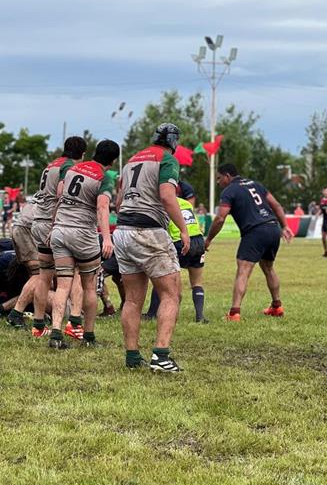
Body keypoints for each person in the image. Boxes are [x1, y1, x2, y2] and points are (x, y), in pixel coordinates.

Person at [111, 124, 193, 372]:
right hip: (148, 231)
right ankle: (161, 356)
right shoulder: (167, 159)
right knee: (171, 294)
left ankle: (132, 356)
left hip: (123, 230)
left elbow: (118, 202)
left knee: (132, 299)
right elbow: (167, 196)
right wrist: (184, 229)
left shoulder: (132, 161)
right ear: (173, 141)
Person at [6, 137, 86, 335]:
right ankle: (18, 313)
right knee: (51, 274)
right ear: (82, 154)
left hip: (33, 222)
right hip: (42, 224)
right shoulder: (68, 167)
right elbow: (61, 193)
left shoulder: (51, 165)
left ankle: (38, 323)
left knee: (44, 275)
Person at [45, 140, 119, 349]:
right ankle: (88, 336)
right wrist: (107, 238)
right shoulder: (104, 177)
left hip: (60, 230)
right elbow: (102, 207)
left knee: (63, 285)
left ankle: (56, 334)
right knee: (89, 286)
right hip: (82, 234)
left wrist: (53, 227)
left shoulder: (73, 169)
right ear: (113, 160)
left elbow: (60, 198)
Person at [203, 163, 294, 320]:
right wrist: (285, 226)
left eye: (219, 178)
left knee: (243, 271)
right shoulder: (256, 184)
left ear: (227, 176)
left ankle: (234, 313)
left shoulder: (229, 190)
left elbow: (220, 218)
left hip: (255, 231)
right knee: (268, 268)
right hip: (273, 228)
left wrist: (209, 239)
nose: (218, 182)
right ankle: (277, 307)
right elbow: (276, 205)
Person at [143, 179, 207, 323]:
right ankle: (200, 316)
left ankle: (152, 314)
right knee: (197, 281)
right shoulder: (186, 203)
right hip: (198, 241)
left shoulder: (164, 204)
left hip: (180, 242)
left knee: (163, 278)